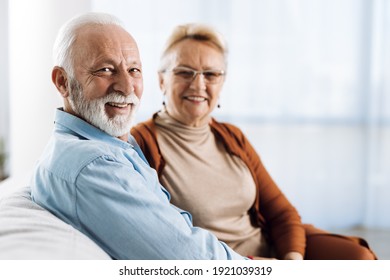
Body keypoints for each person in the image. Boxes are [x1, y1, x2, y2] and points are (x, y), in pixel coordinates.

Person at [130, 23, 377, 260]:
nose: (198, 84)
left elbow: (281, 212)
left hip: (271, 250)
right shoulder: (141, 142)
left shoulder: (231, 135)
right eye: (185, 72)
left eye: (211, 74)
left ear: (222, 82)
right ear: (162, 80)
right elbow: (155, 235)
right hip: (224, 263)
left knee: (359, 258)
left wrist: (292, 261)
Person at [30, 12, 248, 260]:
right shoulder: (94, 165)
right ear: (62, 82)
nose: (126, 86)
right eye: (105, 69)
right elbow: (195, 260)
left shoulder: (113, 143)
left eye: (134, 69)